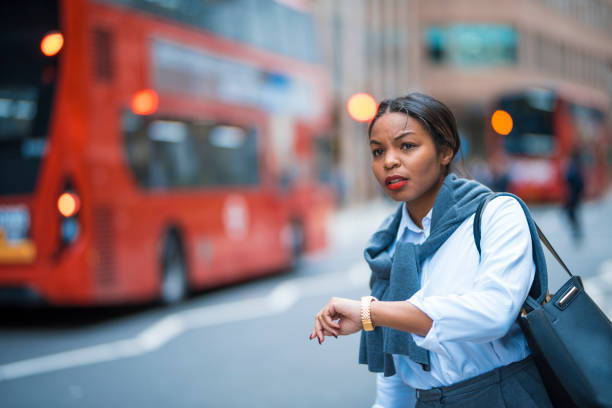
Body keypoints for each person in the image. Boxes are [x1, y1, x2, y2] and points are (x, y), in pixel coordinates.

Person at [309, 93, 552, 407]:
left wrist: (373, 313)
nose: (389, 161)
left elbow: (493, 313)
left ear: (445, 150)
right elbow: (397, 370)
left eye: (407, 146)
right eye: (378, 151)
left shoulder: (496, 214)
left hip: (504, 394)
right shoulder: (390, 243)